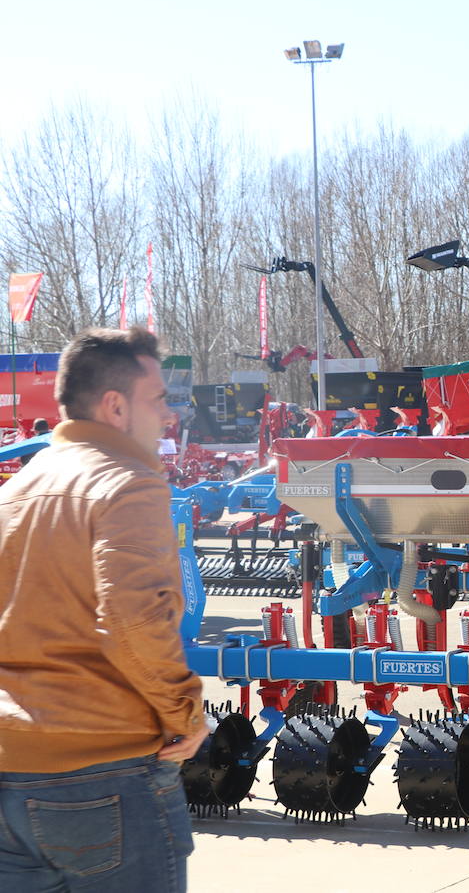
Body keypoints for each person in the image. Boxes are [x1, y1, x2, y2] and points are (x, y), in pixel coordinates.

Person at [0, 328, 207, 891]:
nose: (168, 414)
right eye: (159, 398)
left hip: (11, 774)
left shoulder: (17, 490)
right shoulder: (128, 483)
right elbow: (132, 619)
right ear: (115, 405)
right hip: (104, 777)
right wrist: (184, 713)